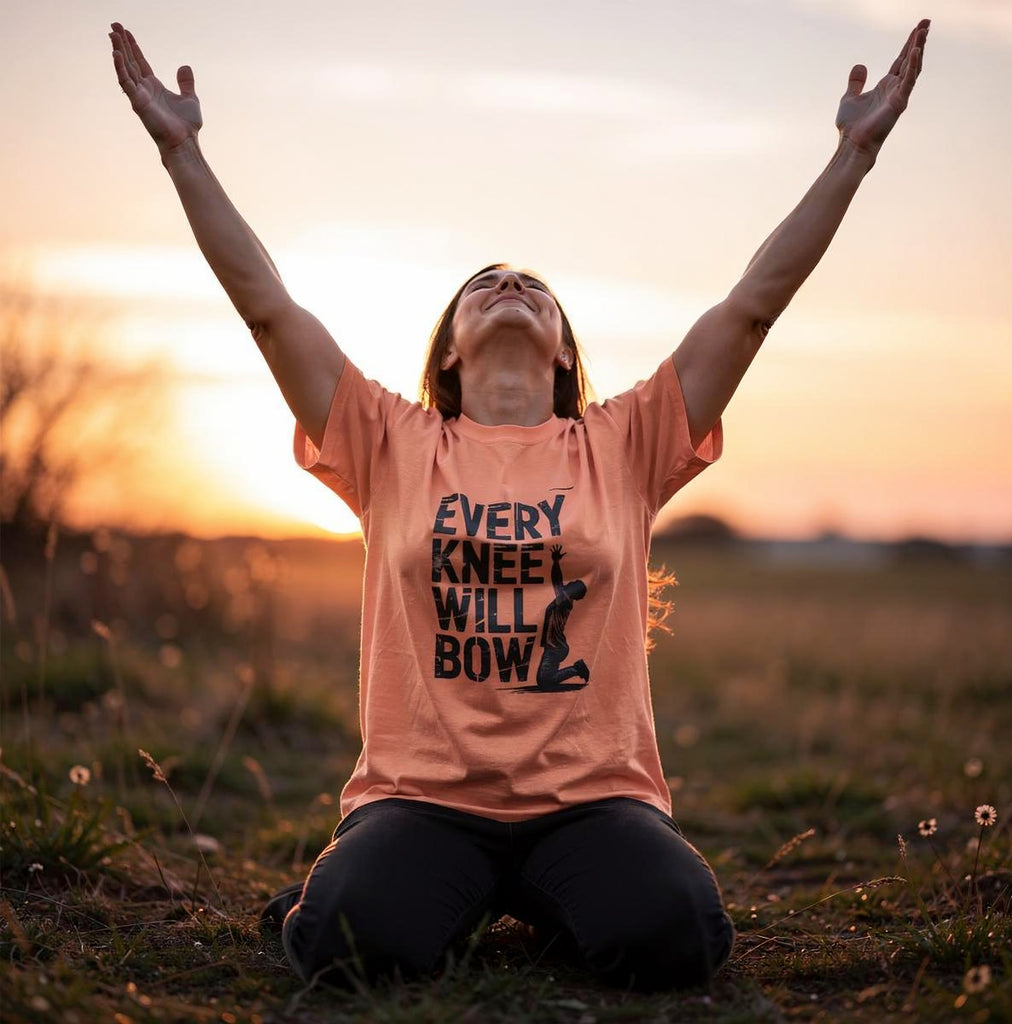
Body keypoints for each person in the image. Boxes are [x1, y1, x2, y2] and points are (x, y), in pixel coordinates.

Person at [110, 18, 929, 990]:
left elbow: (752, 304)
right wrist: (181, 154)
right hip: (422, 800)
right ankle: (402, 891)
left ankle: (544, 899)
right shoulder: (391, 441)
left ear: (566, 351)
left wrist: (852, 156)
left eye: (533, 285)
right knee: (345, 943)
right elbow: (267, 307)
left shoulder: (625, 443)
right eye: (483, 285)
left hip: (590, 802)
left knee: (680, 935)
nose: (509, 284)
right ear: (451, 349)